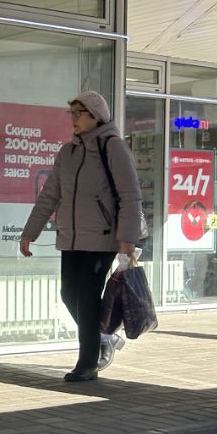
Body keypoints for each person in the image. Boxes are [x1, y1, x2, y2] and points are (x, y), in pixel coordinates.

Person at [18, 91, 141, 382]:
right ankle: (103, 337)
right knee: (68, 295)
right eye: (71, 113)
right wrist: (29, 232)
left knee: (86, 299)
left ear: (96, 116)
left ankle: (87, 364)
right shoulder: (68, 152)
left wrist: (127, 238)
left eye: (79, 113)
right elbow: (49, 195)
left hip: (102, 238)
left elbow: (130, 196)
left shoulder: (113, 146)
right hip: (71, 239)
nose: (73, 118)